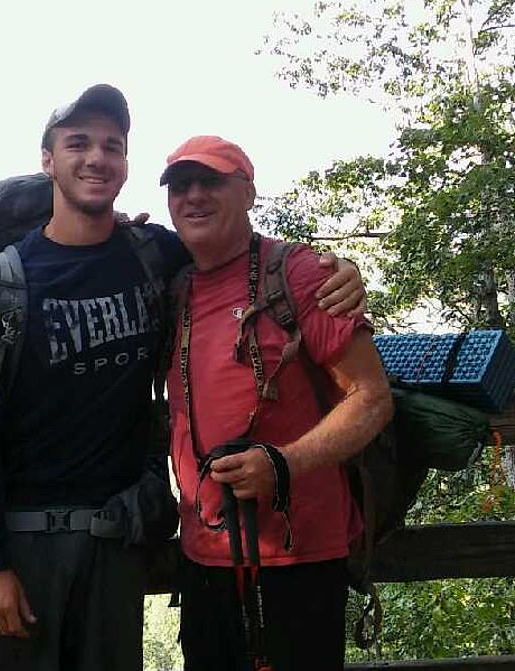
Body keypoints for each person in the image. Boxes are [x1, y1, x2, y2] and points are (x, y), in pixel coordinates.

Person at [0, 85, 366, 671]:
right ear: (47, 159)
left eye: (111, 146)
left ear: (126, 164)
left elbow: (242, 252)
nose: (96, 158)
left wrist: (339, 269)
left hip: (119, 541)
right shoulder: (0, 283)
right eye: (78, 144)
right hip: (24, 545)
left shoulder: (154, 256)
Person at [160, 135, 394, 671]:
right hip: (203, 556)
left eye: (211, 181)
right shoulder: (171, 283)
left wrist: (283, 464)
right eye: (180, 185)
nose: (193, 195)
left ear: (248, 192)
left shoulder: (301, 275)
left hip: (299, 556)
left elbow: (372, 398)